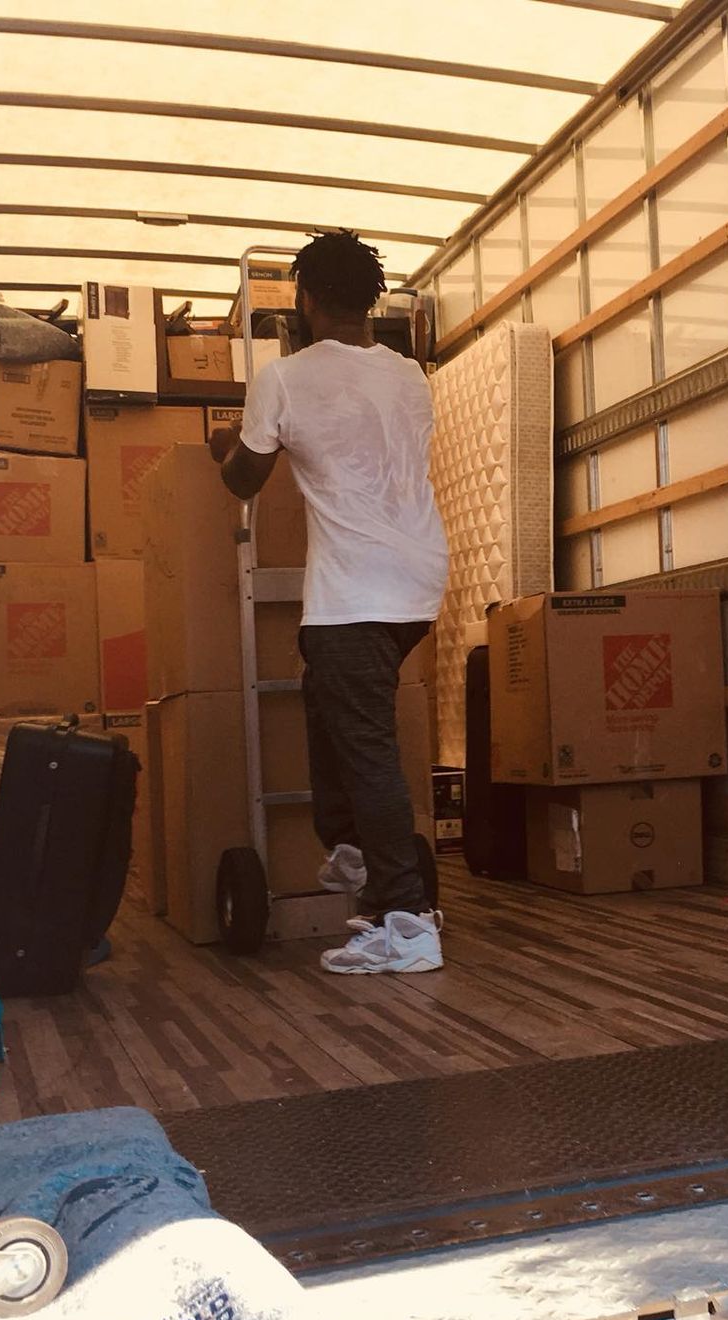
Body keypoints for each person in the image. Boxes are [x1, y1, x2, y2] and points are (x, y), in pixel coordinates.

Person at [209, 231, 448, 975]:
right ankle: (351, 852)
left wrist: (228, 444)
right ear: (371, 299)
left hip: (356, 589)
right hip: (415, 582)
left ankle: (405, 923)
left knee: (367, 749)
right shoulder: (410, 376)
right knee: (329, 704)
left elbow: (245, 480)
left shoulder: (283, 377)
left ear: (305, 300)